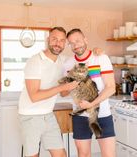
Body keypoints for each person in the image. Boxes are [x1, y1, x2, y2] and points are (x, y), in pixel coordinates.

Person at [18, 27, 79, 157]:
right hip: (30, 116)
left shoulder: (64, 61)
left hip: (48, 115)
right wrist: (62, 88)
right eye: (54, 39)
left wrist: (97, 52)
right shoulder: (35, 61)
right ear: (48, 40)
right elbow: (34, 96)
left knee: (61, 155)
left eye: (62, 40)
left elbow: (63, 93)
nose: (58, 43)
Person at [62, 28, 116, 157]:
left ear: (85, 40)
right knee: (83, 154)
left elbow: (111, 87)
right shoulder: (68, 64)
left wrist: (91, 104)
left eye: (78, 41)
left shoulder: (100, 58)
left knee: (109, 155)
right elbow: (63, 93)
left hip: (102, 115)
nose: (75, 45)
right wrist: (69, 85)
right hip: (80, 117)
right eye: (71, 43)